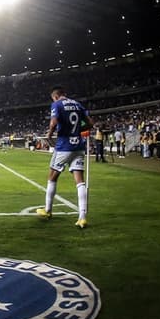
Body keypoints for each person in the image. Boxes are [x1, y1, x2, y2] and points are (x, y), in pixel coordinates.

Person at [36, 86, 94, 228]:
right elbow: (90, 123)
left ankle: (48, 210)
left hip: (64, 146)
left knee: (52, 177)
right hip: (78, 146)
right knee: (80, 181)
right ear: (64, 94)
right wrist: (79, 130)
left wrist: (49, 134)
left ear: (55, 96)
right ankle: (82, 217)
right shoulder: (77, 104)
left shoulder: (56, 104)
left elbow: (54, 122)